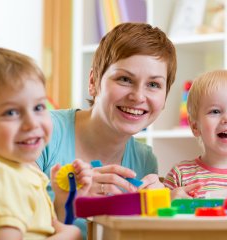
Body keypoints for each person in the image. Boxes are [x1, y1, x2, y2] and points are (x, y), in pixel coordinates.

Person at [36, 22, 177, 238]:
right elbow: (5, 214)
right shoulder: (42, 131)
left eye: (154, 85)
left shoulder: (144, 161)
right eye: (124, 79)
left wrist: (157, 210)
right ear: (93, 81)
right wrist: (63, 205)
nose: (138, 96)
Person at [0, 48, 82, 239]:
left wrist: (62, 203)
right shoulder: (0, 176)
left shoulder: (21, 171)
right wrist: (70, 236)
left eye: (39, 107)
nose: (32, 123)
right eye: (11, 112)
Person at [164, 69, 227, 199]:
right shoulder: (180, 174)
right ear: (195, 126)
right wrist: (169, 200)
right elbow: (159, 214)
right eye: (215, 111)